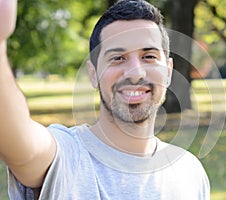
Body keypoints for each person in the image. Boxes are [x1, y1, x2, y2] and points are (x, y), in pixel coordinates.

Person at [0, 0, 210, 199]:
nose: (135, 73)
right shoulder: (65, 154)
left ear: (168, 71)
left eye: (149, 57)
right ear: (93, 74)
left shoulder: (190, 171)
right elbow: (19, 141)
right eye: (117, 58)